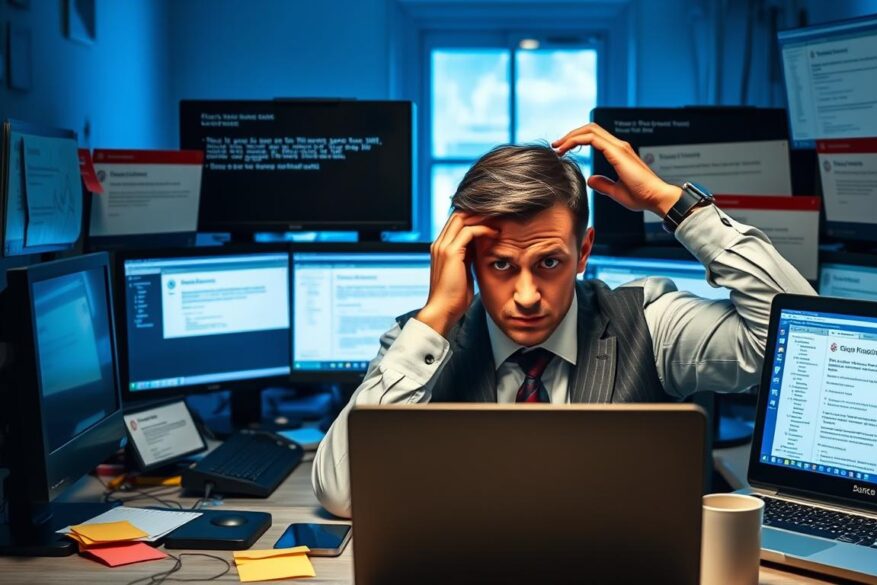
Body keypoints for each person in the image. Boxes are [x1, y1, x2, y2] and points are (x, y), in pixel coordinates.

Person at [312, 123, 815, 518]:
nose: (526, 296)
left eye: (548, 262)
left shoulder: (648, 324)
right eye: (501, 265)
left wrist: (672, 203)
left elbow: (799, 344)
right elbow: (342, 494)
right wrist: (438, 316)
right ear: (466, 261)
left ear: (584, 252)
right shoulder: (420, 344)